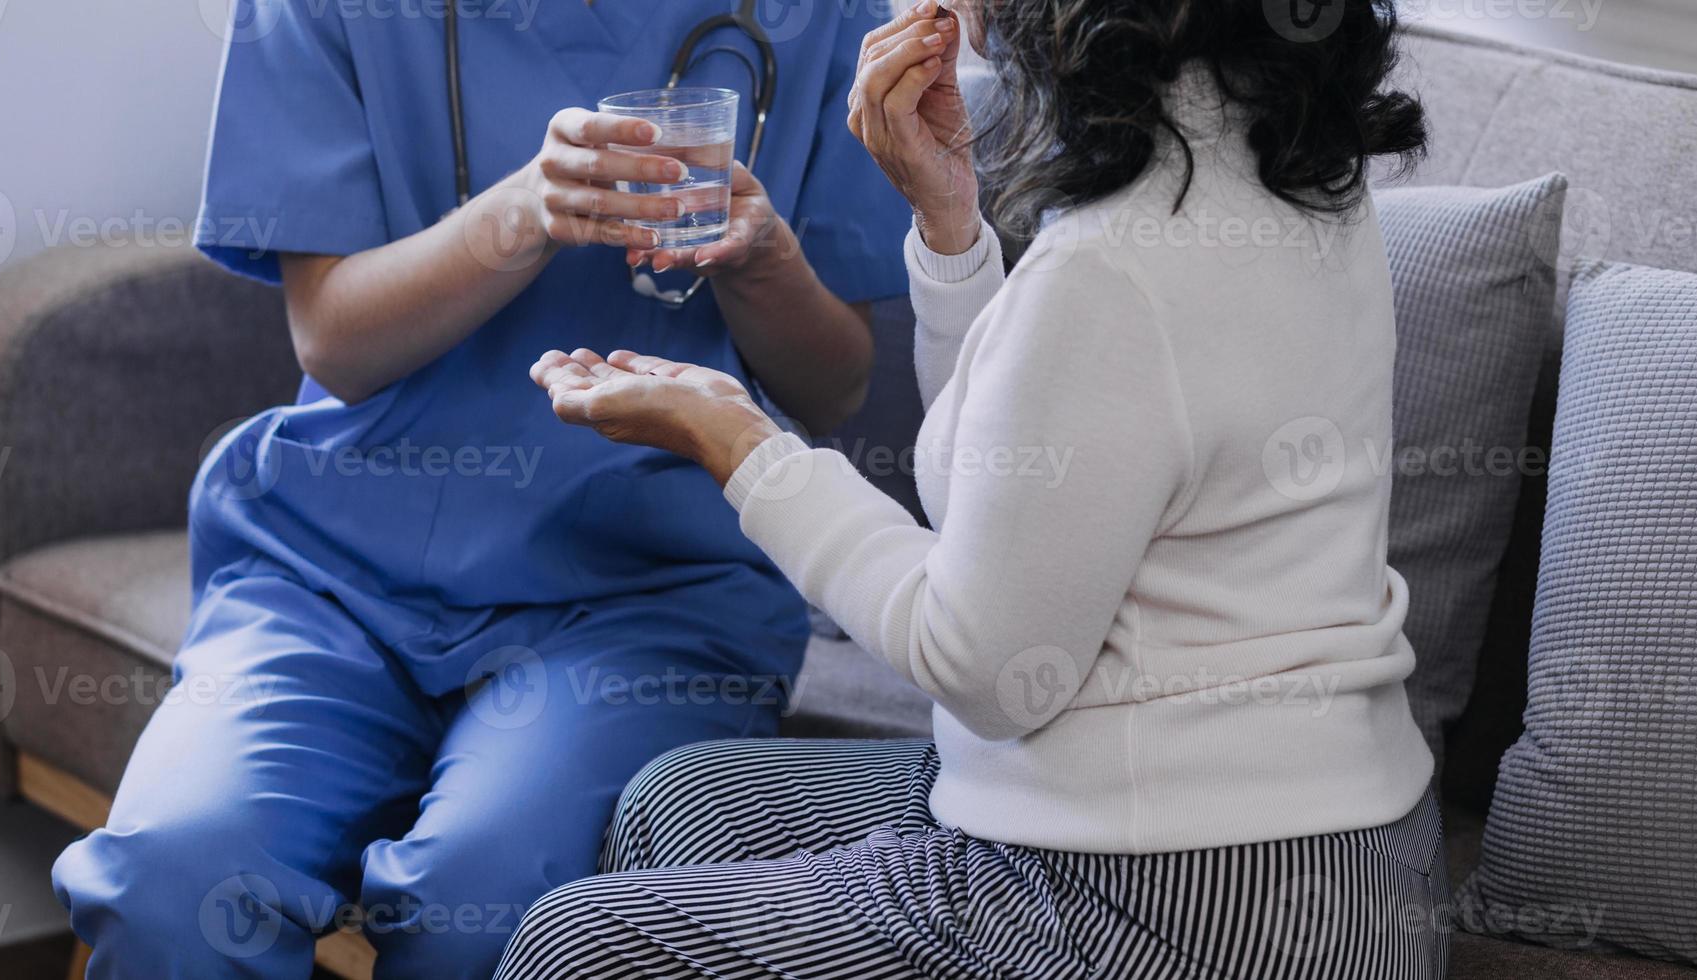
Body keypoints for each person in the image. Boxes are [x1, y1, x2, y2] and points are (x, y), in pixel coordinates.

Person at [500, 0, 1449, 976]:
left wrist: (739, 442)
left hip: (1172, 896)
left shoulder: (1115, 264)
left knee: (581, 942)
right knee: (684, 800)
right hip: (1335, 849)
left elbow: (982, 663)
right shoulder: (1287, 163)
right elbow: (1030, 490)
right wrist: (950, 224)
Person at [48, 0, 911, 975]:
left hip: (645, 592)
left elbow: (831, 385)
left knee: (481, 901)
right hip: (333, 573)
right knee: (173, 879)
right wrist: (524, 212)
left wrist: (763, 261)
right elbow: (334, 341)